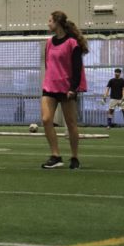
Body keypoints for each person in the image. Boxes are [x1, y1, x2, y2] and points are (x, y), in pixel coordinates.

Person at [41, 11, 88, 169]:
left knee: (71, 124)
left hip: (67, 88)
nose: (48, 24)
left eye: (50, 21)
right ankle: (55, 155)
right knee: (47, 119)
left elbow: (77, 68)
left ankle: (75, 157)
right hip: (49, 86)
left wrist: (73, 88)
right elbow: (49, 64)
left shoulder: (72, 43)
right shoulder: (48, 42)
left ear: (58, 23)